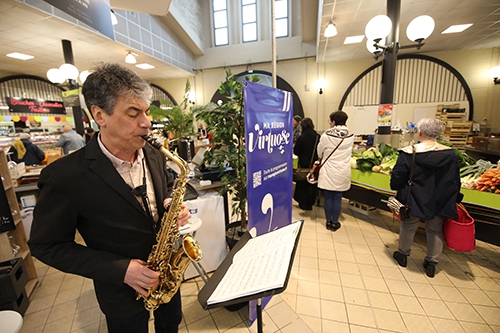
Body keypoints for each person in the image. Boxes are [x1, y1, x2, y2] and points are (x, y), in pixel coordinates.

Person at [28, 63, 191, 333]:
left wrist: (175, 206)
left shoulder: (152, 153)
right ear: (99, 115)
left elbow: (169, 185)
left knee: (170, 325)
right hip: (120, 293)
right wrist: (121, 270)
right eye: (133, 113)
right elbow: (46, 246)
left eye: (147, 112)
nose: (146, 122)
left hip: (167, 277)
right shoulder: (64, 176)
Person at [390, 117, 462, 278]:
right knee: (435, 229)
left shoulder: (410, 152)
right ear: (439, 134)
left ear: (420, 133)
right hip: (440, 198)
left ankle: (402, 255)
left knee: (409, 226)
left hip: (414, 196)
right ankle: (431, 263)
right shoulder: (450, 154)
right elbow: (455, 179)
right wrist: (456, 197)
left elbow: (399, 174)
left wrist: (395, 186)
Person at [317, 111, 355, 231]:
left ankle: (328, 221)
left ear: (333, 122)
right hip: (343, 169)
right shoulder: (350, 135)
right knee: (337, 198)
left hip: (329, 169)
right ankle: (335, 223)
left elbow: (319, 152)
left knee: (328, 197)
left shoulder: (326, 135)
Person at [293, 117, 320, 210]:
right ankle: (311, 201)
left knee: (302, 183)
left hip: (303, 163)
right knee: (312, 183)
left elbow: (296, 151)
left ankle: (302, 202)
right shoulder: (317, 136)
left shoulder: (302, 137)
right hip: (314, 164)